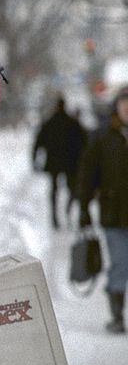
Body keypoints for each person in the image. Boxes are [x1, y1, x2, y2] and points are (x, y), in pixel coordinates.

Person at [77, 85, 128, 334]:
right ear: (117, 106)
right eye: (124, 102)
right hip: (114, 214)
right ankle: (117, 316)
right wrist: (83, 207)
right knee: (120, 263)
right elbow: (88, 173)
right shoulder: (103, 136)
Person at [33, 96, 87, 229]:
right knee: (72, 189)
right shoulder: (72, 123)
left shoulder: (49, 122)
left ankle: (55, 217)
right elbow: (84, 142)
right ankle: (67, 211)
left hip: (54, 162)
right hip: (70, 162)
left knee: (54, 190)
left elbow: (38, 142)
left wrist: (35, 160)